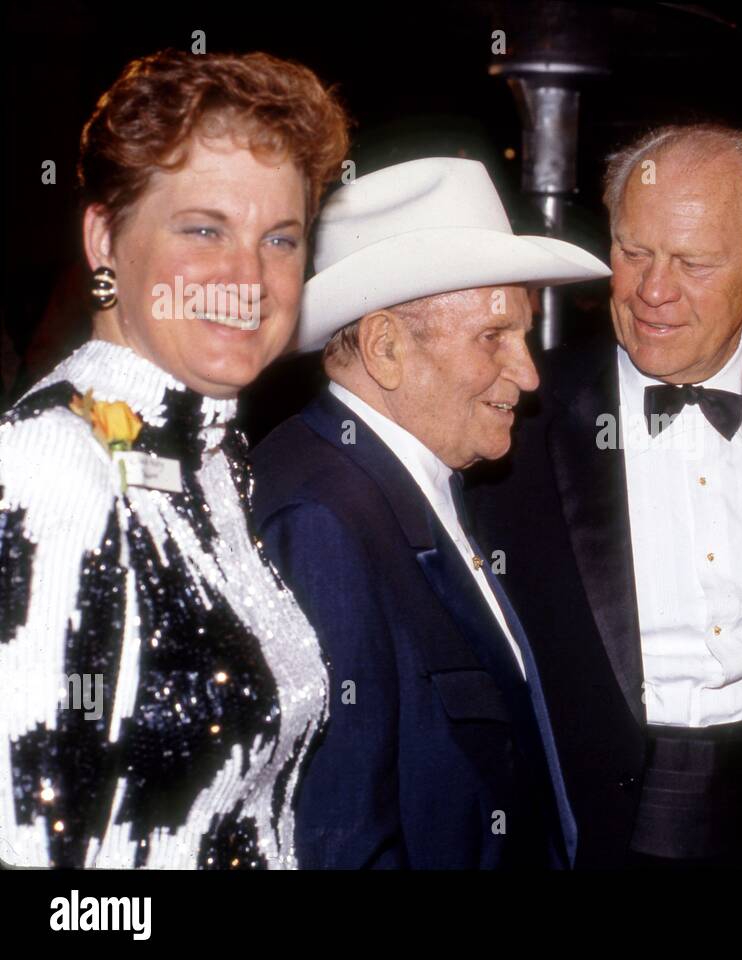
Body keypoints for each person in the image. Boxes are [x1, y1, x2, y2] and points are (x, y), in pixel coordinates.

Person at [467, 123, 742, 867]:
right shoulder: (519, 417)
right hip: (586, 835)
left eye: (693, 262)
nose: (654, 291)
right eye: (634, 253)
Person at [0, 49, 349, 868]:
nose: (247, 276)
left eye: (280, 239)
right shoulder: (53, 465)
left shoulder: (212, 463)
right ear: (104, 239)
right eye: (203, 229)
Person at [250, 158, 610, 869]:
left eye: (525, 335)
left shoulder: (406, 481)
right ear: (386, 347)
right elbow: (340, 837)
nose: (530, 373)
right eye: (494, 337)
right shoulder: (322, 518)